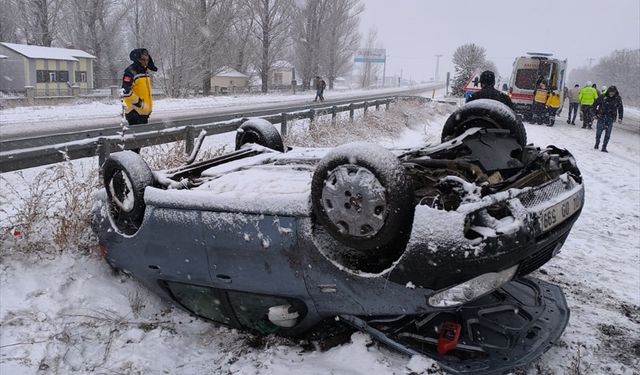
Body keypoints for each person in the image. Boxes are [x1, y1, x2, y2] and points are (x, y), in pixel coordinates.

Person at [593, 85, 623, 152]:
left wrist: (620, 117)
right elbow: (594, 104)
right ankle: (597, 143)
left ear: (615, 92)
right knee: (598, 132)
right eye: (610, 92)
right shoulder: (603, 97)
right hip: (601, 116)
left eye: (613, 92)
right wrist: (595, 114)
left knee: (608, 134)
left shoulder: (618, 98)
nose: (611, 93)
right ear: (608, 91)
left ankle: (604, 147)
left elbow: (620, 108)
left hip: (611, 118)